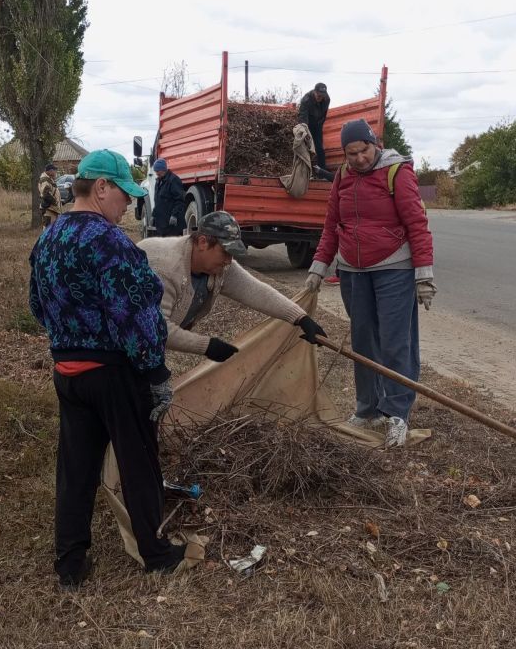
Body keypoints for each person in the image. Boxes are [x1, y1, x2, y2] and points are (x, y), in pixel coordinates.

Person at [29, 149, 188, 588]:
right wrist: (155, 373)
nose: (128, 206)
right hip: (115, 373)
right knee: (139, 461)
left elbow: (38, 306)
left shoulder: (48, 238)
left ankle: (70, 563)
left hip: (68, 372)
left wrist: (70, 334)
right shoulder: (110, 241)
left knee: (76, 467)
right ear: (101, 188)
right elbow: (136, 315)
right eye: (125, 196)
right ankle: (156, 553)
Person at [304, 119, 436, 447]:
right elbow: (332, 223)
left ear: (373, 143)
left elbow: (417, 225)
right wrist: (318, 268)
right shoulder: (342, 177)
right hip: (352, 272)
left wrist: (424, 276)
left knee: (395, 343)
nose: (359, 159)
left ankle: (396, 414)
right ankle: (368, 409)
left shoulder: (397, 172)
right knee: (363, 343)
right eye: (351, 154)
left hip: (394, 269)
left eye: (363, 151)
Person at [140, 210, 327, 359]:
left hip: (147, 342)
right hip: (124, 339)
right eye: (226, 252)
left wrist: (301, 318)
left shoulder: (218, 268)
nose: (229, 261)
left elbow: (255, 291)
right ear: (203, 242)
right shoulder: (167, 269)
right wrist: (206, 346)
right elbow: (156, 328)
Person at [297, 82, 330, 171]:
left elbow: (324, 114)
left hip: (318, 124)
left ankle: (322, 171)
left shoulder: (326, 99)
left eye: (322, 96)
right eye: (318, 95)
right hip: (307, 123)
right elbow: (302, 116)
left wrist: (320, 125)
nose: (320, 98)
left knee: (319, 147)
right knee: (306, 146)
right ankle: (305, 170)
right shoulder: (306, 100)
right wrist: (305, 131)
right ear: (314, 92)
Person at [152, 158, 185, 236]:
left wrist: (174, 215)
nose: (156, 173)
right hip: (161, 223)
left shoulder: (173, 180)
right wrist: (153, 215)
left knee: (171, 246)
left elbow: (180, 200)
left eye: (157, 171)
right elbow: (157, 201)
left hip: (171, 223)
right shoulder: (158, 181)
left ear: (163, 169)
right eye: (155, 171)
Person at [37, 162, 62, 229]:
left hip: (51, 209)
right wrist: (55, 202)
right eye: (55, 170)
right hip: (49, 209)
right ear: (50, 171)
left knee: (52, 229)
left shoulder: (49, 179)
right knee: (48, 229)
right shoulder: (45, 180)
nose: (55, 172)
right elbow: (46, 194)